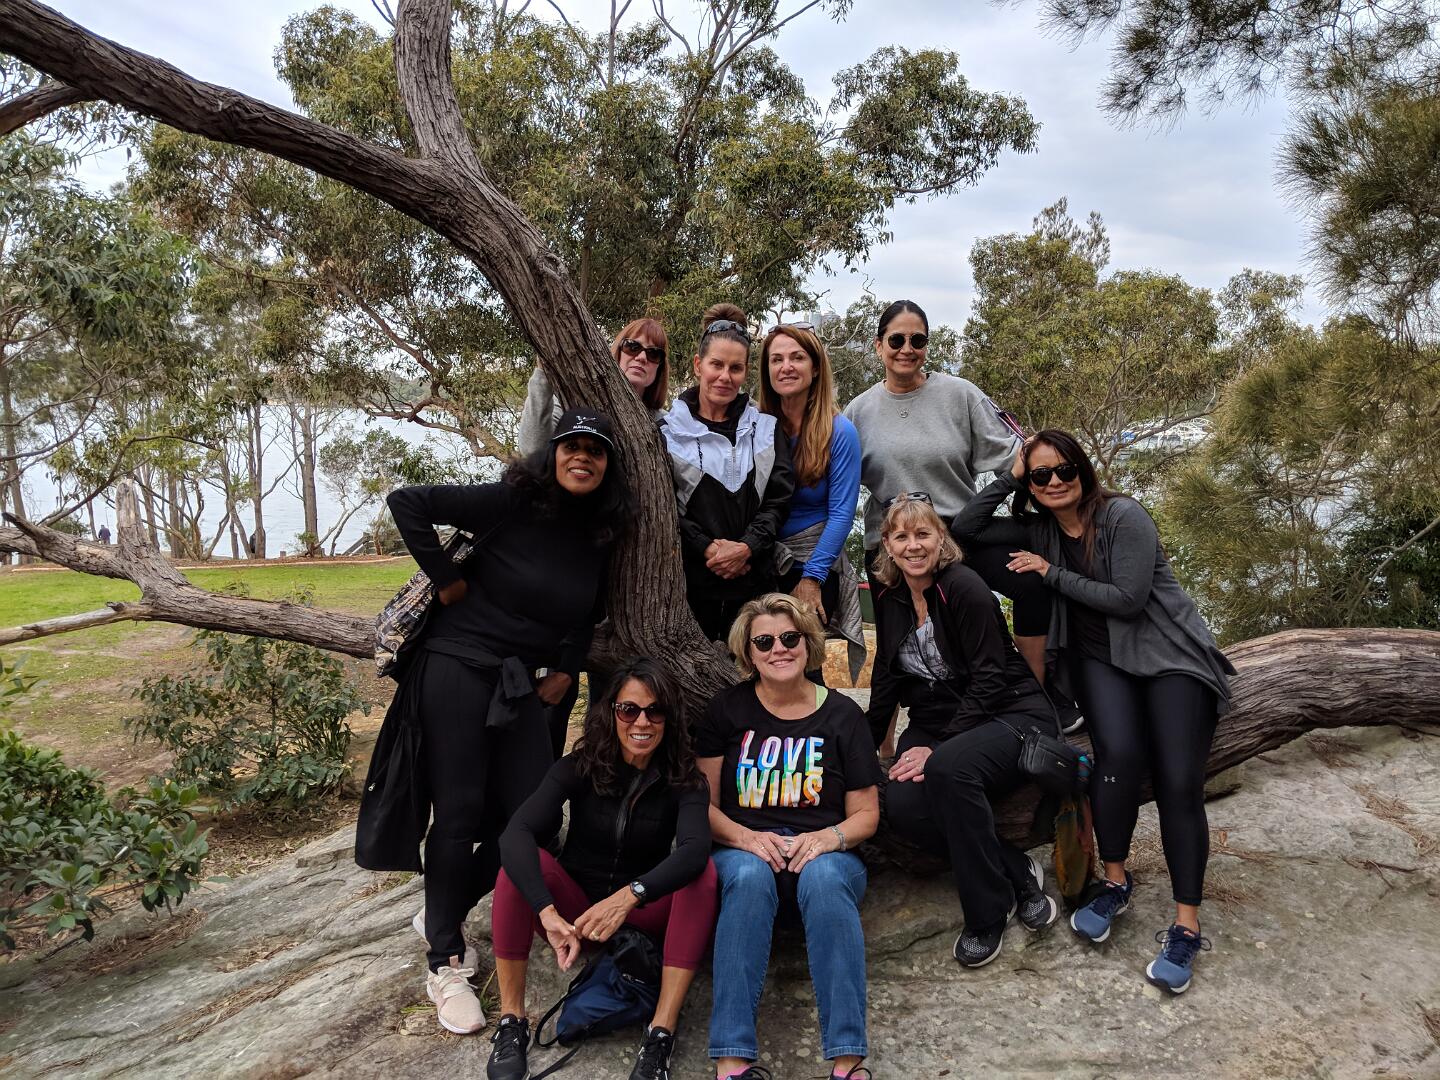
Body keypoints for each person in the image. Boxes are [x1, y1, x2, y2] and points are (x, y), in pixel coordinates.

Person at [371, 409, 630, 1035]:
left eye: (595, 451)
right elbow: (408, 502)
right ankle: (445, 962)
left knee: (531, 821)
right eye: (571, 446)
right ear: (553, 453)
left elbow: (584, 614)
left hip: (519, 682)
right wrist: (447, 580)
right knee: (460, 812)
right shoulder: (514, 500)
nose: (582, 457)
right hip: (457, 664)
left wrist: (566, 668)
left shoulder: (599, 533)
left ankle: (446, 907)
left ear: (608, 467)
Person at [953, 429, 1236, 994]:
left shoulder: (1123, 516)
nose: (1055, 481)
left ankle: (1186, 924)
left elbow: (1128, 600)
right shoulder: (1037, 527)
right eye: (1041, 475)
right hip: (1102, 663)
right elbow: (965, 529)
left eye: (1064, 469)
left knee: (1179, 781)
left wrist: (1049, 574)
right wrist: (1010, 474)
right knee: (1117, 760)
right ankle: (1114, 881)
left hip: (1167, 656)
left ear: (1082, 469)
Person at [842, 300, 1068, 748]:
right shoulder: (859, 411)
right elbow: (837, 479)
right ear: (878, 346)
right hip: (895, 541)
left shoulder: (960, 395)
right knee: (892, 638)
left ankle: (1036, 700)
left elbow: (1018, 452)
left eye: (918, 340)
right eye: (896, 339)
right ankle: (880, 748)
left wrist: (1067, 491)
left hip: (959, 532)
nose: (907, 349)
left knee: (1031, 584)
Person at [488, 658, 717, 1080]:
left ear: (670, 718)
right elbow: (516, 832)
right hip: (576, 916)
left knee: (702, 876)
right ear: (611, 712)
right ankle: (511, 1020)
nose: (641, 722)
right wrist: (546, 912)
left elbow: (694, 851)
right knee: (517, 868)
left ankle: (661, 1033)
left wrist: (630, 896)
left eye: (655, 711)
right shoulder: (578, 766)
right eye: (629, 710)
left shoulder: (685, 780)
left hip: (639, 919)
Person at [867, 493, 1061, 968]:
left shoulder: (965, 587)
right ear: (888, 546)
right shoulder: (890, 597)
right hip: (938, 720)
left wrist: (936, 747)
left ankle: (987, 912)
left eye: (923, 534)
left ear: (941, 538)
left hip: (1009, 712)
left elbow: (991, 677)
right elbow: (887, 677)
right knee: (902, 806)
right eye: (901, 537)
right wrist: (862, 746)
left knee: (949, 770)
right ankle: (1014, 866)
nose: (913, 546)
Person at [697, 594, 880, 1080]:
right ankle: (732, 1062)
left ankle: (847, 1061)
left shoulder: (843, 715)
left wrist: (826, 838)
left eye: (789, 637)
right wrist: (744, 837)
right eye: (764, 641)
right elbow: (702, 806)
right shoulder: (726, 710)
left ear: (807, 642)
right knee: (749, 877)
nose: (778, 648)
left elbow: (866, 815)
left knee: (824, 879)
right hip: (743, 851)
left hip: (824, 854)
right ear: (748, 652)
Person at [662, 304, 795, 642]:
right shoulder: (667, 432)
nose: (724, 376)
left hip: (755, 586)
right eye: (716, 364)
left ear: (745, 371)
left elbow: (778, 501)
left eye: (735, 368)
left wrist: (747, 547)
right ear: (698, 365)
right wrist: (707, 548)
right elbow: (663, 506)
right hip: (689, 589)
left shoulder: (766, 429)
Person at [756, 322, 865, 683]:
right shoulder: (756, 427)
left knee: (802, 668)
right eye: (777, 359)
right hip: (762, 559)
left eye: (797, 358)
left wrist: (812, 578)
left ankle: (819, 721)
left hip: (813, 561)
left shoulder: (840, 432)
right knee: (757, 668)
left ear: (815, 367)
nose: (786, 366)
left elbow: (842, 514)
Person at [517, 317, 670, 455]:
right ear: (618, 352)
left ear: (660, 368)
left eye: (653, 354)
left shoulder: (666, 423)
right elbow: (532, 449)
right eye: (632, 346)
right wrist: (543, 373)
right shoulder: (573, 399)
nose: (642, 357)